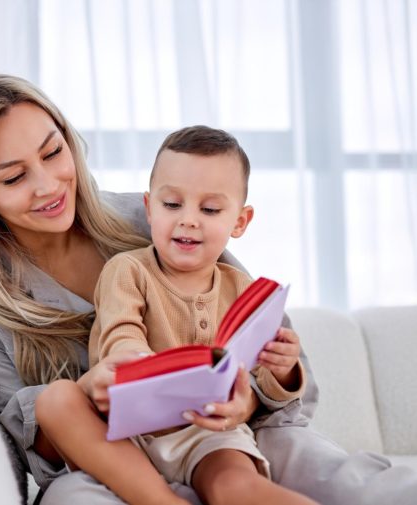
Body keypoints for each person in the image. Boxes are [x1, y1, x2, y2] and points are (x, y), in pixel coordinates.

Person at [0, 73, 417, 505]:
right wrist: (87, 393)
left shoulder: (157, 219)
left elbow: (260, 352)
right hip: (106, 462)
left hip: (219, 435)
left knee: (357, 485)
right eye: (13, 177)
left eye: (54, 152)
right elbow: (27, 449)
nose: (48, 185)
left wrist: (241, 401)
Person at [35, 125, 316, 505]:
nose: (188, 220)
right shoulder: (128, 269)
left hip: (207, 431)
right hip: (126, 431)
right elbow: (121, 333)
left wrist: (283, 366)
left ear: (240, 221)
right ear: (149, 208)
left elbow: (259, 379)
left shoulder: (243, 289)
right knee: (55, 401)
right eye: (172, 205)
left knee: (238, 485)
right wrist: (136, 367)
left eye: (210, 209)